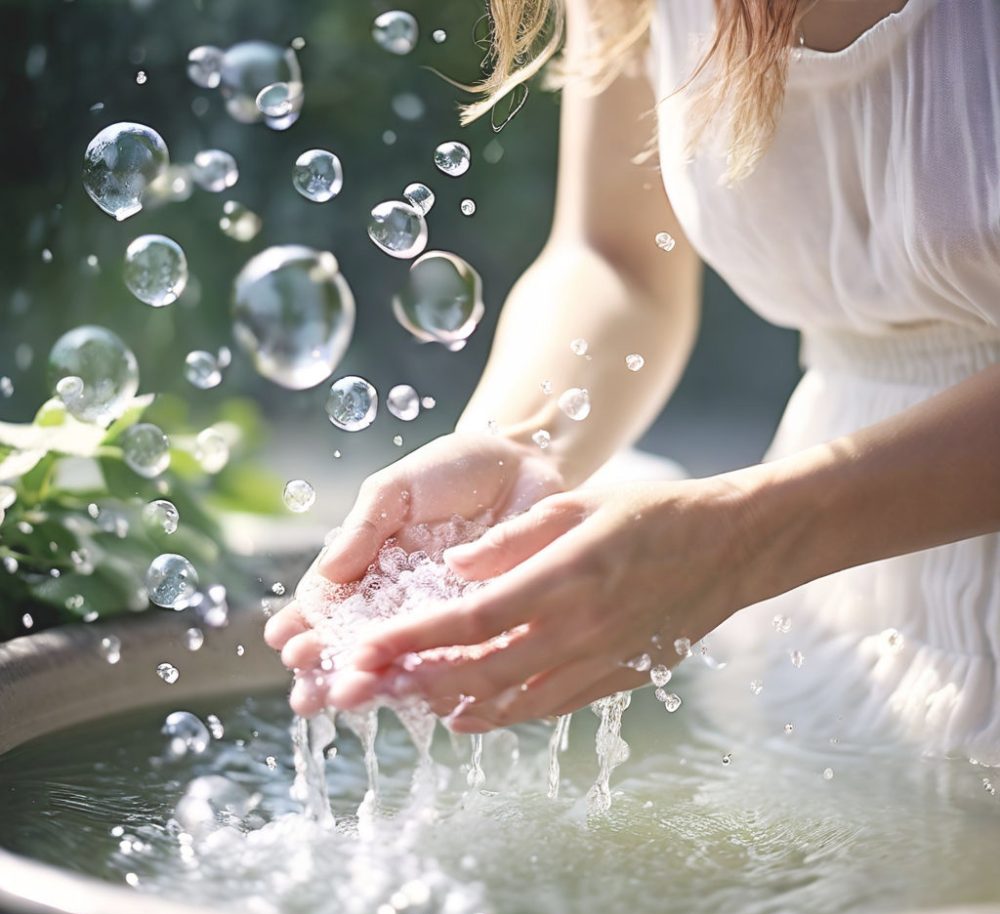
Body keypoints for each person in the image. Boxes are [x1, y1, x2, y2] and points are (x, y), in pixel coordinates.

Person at [266, 0, 1000, 760]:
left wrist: (747, 539)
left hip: (831, 525)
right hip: (831, 604)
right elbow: (617, 255)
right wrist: (521, 446)